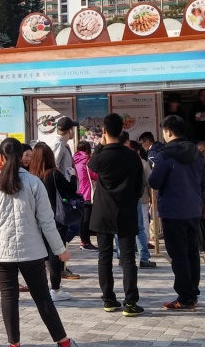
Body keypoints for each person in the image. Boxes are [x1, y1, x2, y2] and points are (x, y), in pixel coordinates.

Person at [0, 137, 75, 347]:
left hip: (0, 253)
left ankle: (14, 344)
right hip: (32, 251)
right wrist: (60, 250)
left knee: (9, 298)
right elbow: (47, 221)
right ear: (21, 156)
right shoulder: (34, 182)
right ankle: (63, 342)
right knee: (42, 298)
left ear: (0, 157)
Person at [149, 115, 205, 311]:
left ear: (168, 131)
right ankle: (192, 291)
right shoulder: (197, 153)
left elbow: (154, 182)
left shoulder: (164, 155)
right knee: (192, 252)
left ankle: (185, 297)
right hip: (193, 210)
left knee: (179, 255)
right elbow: (204, 183)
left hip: (173, 211)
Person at [89, 113, 145, 316]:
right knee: (128, 258)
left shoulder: (100, 156)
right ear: (122, 130)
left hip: (103, 211)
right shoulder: (132, 156)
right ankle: (130, 303)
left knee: (104, 256)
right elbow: (140, 185)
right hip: (126, 210)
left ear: (104, 131)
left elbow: (91, 166)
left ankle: (109, 300)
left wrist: (100, 145)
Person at [29, 143, 80, 301]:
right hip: (55, 217)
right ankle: (55, 289)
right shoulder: (53, 173)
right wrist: (72, 175)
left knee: (40, 252)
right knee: (55, 252)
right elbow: (71, 189)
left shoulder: (31, 175)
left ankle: (39, 287)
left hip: (35, 217)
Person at [128, 141, 155, 269]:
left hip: (125, 200)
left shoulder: (123, 162)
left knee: (122, 229)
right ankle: (144, 257)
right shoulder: (142, 163)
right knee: (141, 227)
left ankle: (123, 256)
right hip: (140, 198)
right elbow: (150, 181)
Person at [74, 140, 98, 251]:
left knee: (82, 218)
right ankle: (86, 242)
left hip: (79, 192)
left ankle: (83, 241)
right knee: (87, 219)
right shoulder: (87, 160)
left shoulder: (75, 159)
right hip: (88, 192)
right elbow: (94, 175)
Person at [49, 116, 77, 181]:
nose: (73, 131)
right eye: (73, 128)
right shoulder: (59, 144)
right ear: (70, 130)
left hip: (66, 188)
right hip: (61, 189)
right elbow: (54, 168)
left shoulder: (63, 144)